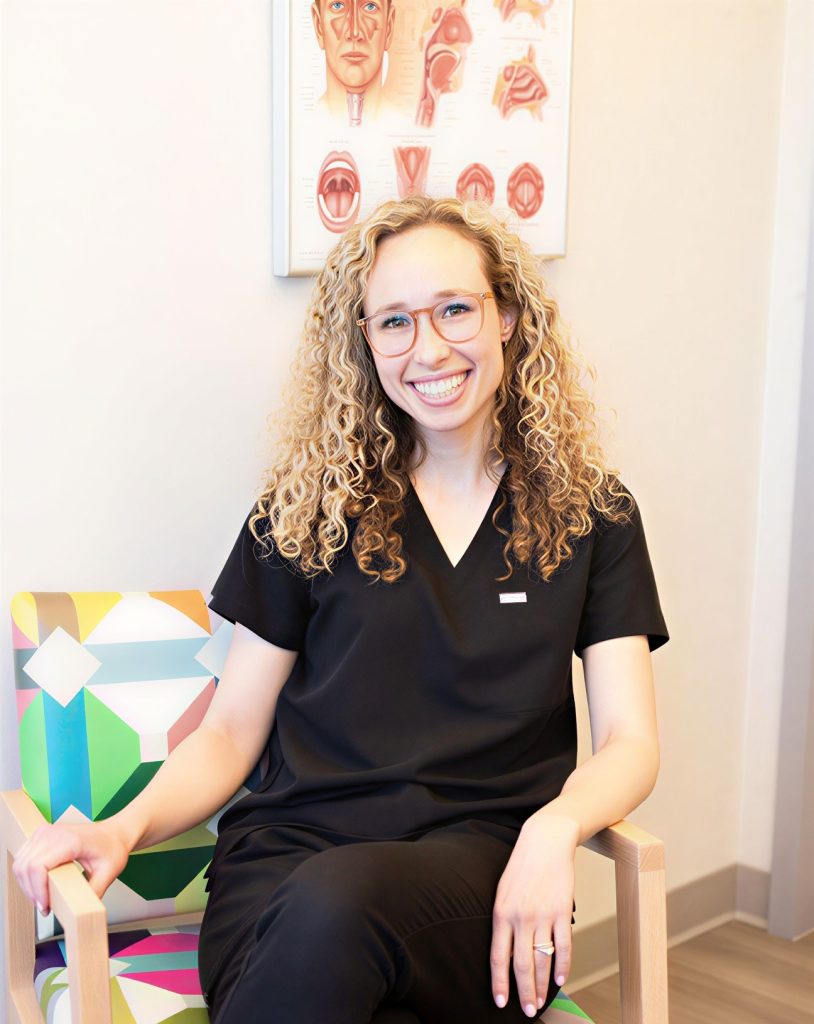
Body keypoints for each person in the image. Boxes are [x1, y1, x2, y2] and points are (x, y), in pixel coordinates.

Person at [12, 194, 670, 1024]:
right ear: (364, 341)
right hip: (282, 869)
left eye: (454, 310)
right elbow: (230, 730)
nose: (426, 348)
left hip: (483, 887)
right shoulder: (310, 508)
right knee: (334, 944)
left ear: (505, 315)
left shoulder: (590, 515)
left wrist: (553, 830)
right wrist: (122, 828)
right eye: (393, 322)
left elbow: (629, 743)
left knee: (340, 907)